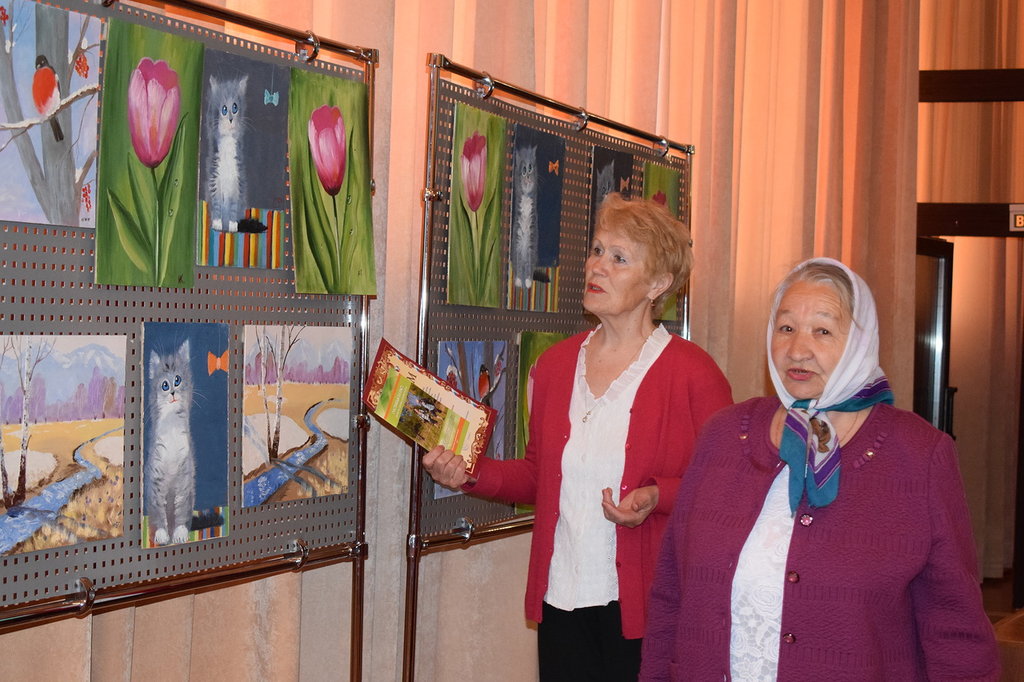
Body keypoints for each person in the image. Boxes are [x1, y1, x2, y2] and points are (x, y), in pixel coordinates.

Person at [640, 257, 1000, 681]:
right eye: (786, 327)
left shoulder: (919, 455)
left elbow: (954, 626)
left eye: (823, 331)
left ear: (860, 343)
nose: (797, 350)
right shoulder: (724, 435)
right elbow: (672, 593)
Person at [423, 192, 732, 681]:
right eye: (596, 250)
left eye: (619, 258)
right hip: (561, 598)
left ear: (658, 283)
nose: (597, 266)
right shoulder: (554, 365)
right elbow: (538, 476)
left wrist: (658, 496)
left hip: (649, 609)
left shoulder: (694, 373)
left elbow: (727, 489)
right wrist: (469, 473)